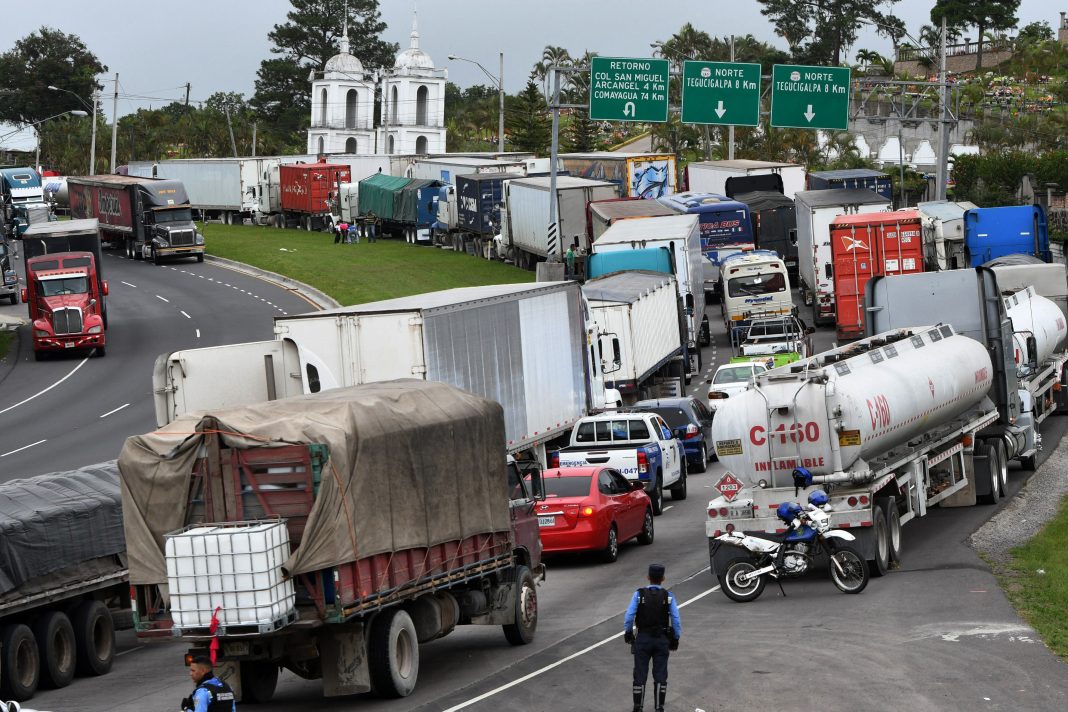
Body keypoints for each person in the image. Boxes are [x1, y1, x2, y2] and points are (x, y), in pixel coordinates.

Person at [624, 564, 681, 712]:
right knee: (660, 673)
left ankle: (638, 707)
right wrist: (675, 637)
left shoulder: (639, 594)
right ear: (663, 578)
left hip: (643, 638)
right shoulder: (668, 596)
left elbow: (629, 616)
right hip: (661, 639)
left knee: (640, 673)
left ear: (648, 577)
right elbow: (675, 619)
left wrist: (628, 633)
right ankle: (659, 707)